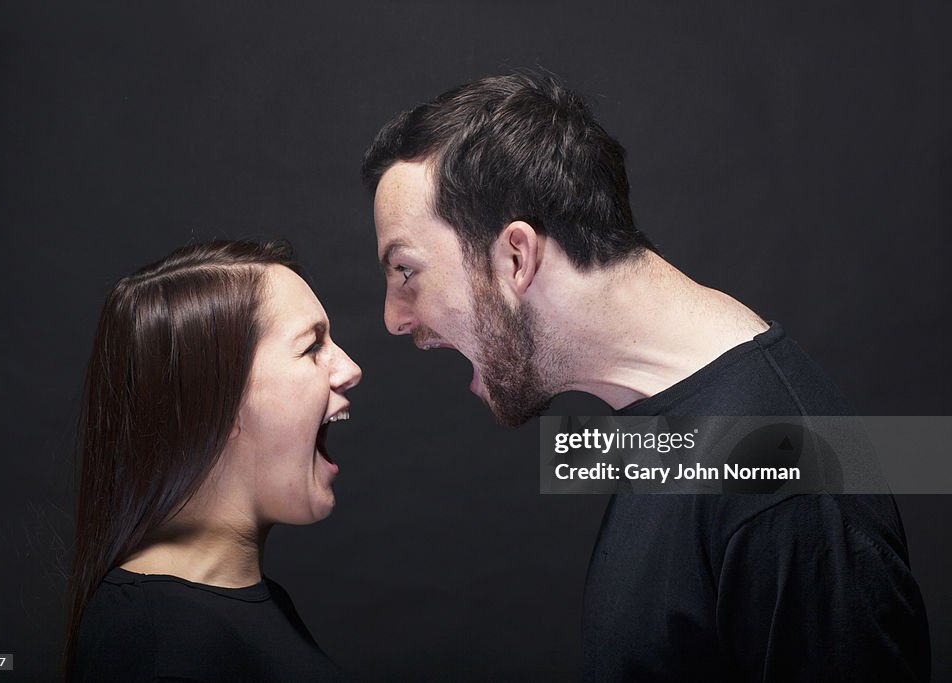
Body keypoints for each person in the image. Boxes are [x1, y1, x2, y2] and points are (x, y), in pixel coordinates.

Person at [362, 73, 930, 680]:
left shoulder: (789, 477)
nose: (395, 319)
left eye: (405, 271)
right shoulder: (669, 433)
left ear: (516, 257)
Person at [65, 240, 360, 682]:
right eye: (312, 346)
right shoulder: (157, 641)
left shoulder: (244, 606)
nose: (350, 368)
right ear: (213, 405)